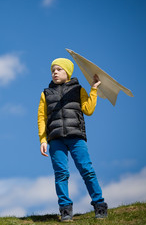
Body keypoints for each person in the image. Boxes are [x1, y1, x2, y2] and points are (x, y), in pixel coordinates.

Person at [37, 58, 108, 222]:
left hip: (76, 136)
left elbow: (88, 110)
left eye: (58, 69)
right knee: (61, 174)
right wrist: (43, 140)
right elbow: (42, 117)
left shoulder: (78, 89)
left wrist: (94, 89)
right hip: (55, 140)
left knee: (87, 170)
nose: (55, 72)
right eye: (53, 70)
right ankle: (65, 210)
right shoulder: (45, 94)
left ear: (67, 72)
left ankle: (99, 205)